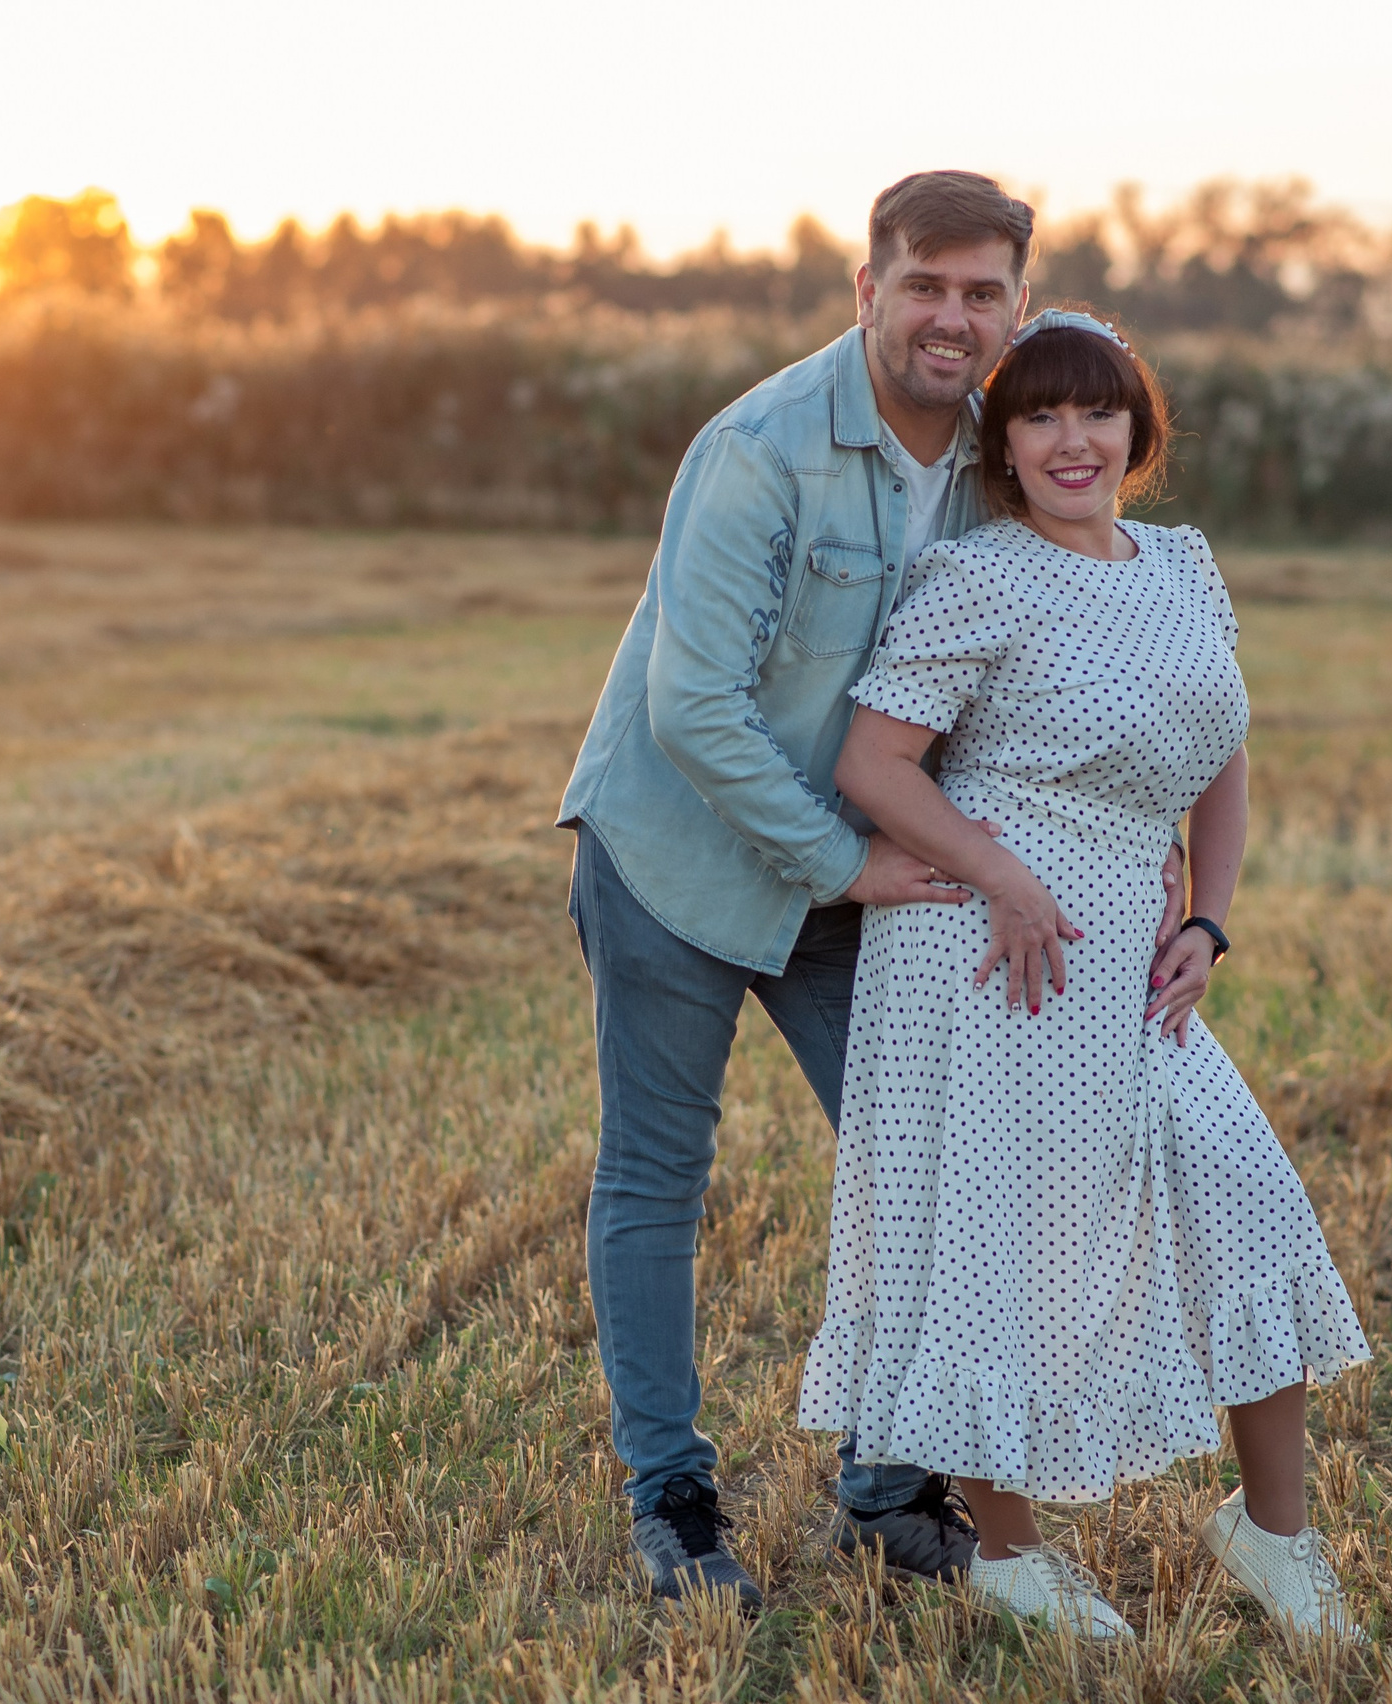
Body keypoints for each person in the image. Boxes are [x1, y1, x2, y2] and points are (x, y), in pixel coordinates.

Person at [557, 173, 1183, 1608]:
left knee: (938, 1161)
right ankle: (674, 1500)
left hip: (868, 871)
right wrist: (848, 860)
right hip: (679, 857)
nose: (952, 319)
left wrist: (1138, 838)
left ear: (1018, 308)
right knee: (658, 1178)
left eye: (982, 294)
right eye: (925, 286)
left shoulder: (1001, 459)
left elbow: (1048, 664)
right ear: (868, 290)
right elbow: (693, 705)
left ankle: (888, 1486)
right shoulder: (763, 447)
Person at [796, 310, 1373, 1641]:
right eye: (1041, 417)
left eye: (1097, 412)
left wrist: (1209, 918)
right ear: (1002, 448)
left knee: (1247, 1204)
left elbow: (1221, 751)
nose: (1073, 439)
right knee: (1005, 1247)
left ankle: (1275, 1539)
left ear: (1136, 432)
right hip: (993, 952)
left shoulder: (1183, 565)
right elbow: (873, 767)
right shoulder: (978, 579)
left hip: (1135, 948)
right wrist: (1004, 878)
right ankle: (1008, 1552)